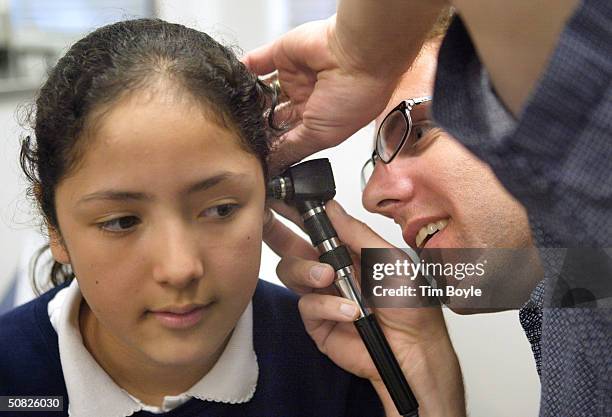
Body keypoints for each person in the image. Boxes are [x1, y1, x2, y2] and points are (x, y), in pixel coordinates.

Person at [0, 19, 385, 417]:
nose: (181, 269)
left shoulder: (341, 365)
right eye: (122, 222)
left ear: (266, 190)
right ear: (55, 225)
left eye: (221, 209)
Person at [246, 1, 612, 416]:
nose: (374, 197)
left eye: (416, 132)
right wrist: (426, 360)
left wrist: (358, 54)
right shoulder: (577, 294)